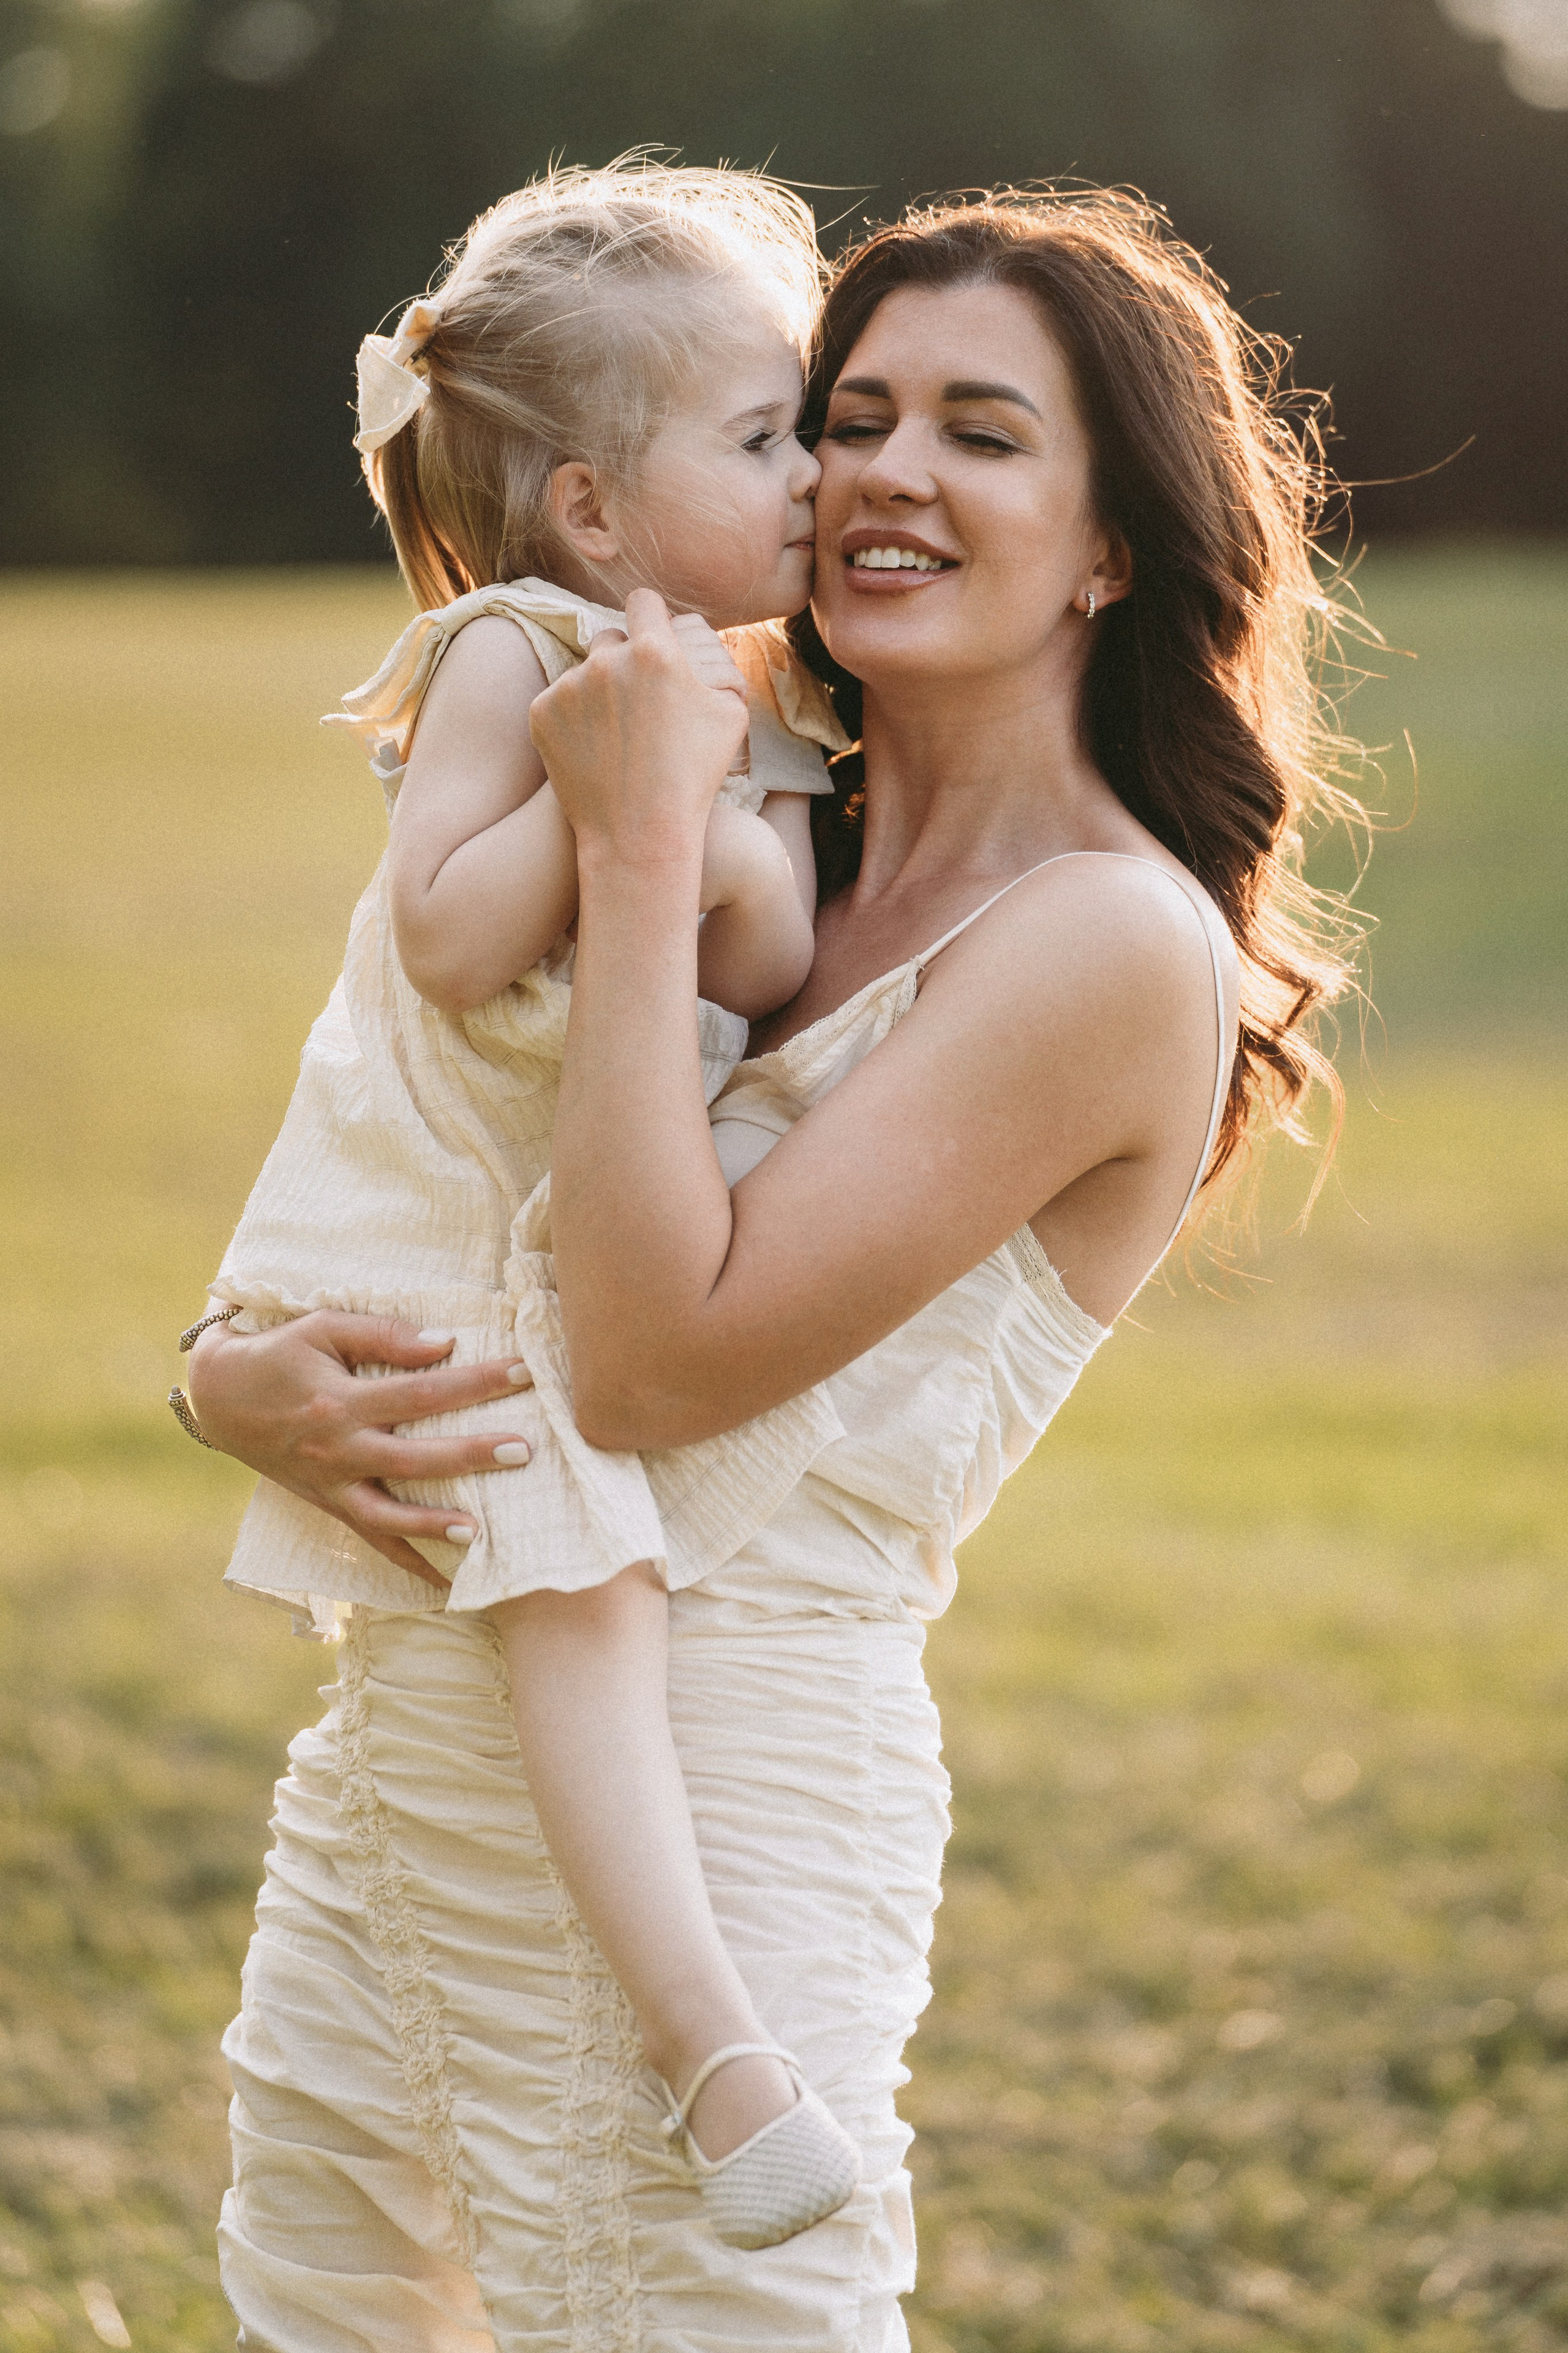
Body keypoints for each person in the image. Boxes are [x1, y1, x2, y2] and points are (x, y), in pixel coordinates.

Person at [187, 186, 1363, 2353]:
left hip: (721, 1818)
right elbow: (430, 1155)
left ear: (1113, 544)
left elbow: (645, 1365)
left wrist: (639, 861)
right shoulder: (744, 768)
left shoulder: (1104, 940)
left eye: (984, 432)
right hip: (409, 1758)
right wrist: (228, 1378)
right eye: (853, 411)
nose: (882, 471)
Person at [190, 157, 869, 2250]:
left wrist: (701, 831)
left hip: (549, 1224)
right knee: (586, 1606)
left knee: (592, 1606)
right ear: (590, 507)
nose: (814, 483)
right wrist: (618, 806)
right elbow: (452, 931)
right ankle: (717, 2059)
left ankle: (703, 2055)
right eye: (767, 439)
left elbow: (750, 959)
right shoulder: (523, 645)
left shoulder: (729, 692)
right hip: (439, 1230)